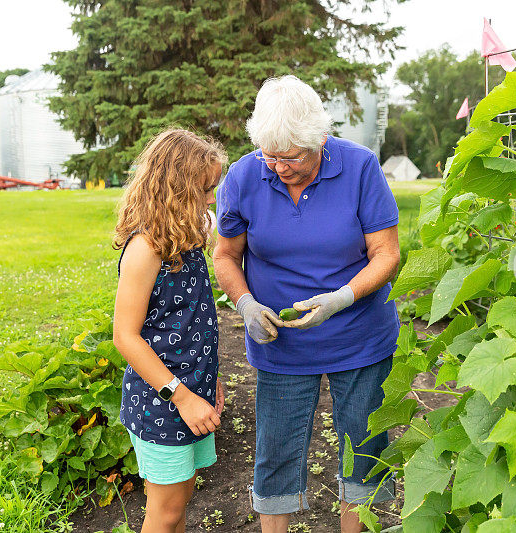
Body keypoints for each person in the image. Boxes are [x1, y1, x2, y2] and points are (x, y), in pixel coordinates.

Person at [213, 76, 400, 533]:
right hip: (281, 344)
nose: (279, 167)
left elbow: (387, 254)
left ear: (318, 139)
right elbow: (225, 255)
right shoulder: (243, 175)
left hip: (359, 339)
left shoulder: (359, 168)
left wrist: (342, 298)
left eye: (291, 156)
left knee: (364, 450)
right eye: (269, 156)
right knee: (276, 453)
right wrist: (246, 305)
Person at [112, 129, 227, 533]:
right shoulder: (146, 248)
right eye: (204, 190)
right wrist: (182, 396)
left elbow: (194, 321)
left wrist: (207, 384)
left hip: (192, 393)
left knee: (176, 507)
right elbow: (125, 336)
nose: (211, 199)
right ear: (174, 189)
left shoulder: (188, 239)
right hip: (164, 400)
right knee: (163, 514)